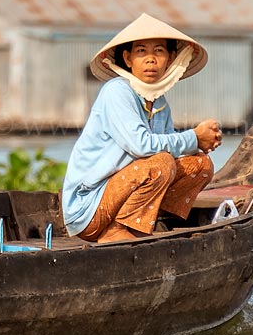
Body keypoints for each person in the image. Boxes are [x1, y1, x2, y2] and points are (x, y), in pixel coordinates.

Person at [61, 14, 223, 244]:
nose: (150, 59)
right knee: (161, 163)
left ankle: (152, 223)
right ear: (127, 59)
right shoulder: (117, 91)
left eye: (158, 51)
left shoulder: (159, 102)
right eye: (141, 52)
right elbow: (142, 146)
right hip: (89, 208)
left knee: (200, 165)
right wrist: (194, 137)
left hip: (125, 193)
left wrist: (203, 139)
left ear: (170, 58)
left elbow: (170, 145)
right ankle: (116, 231)